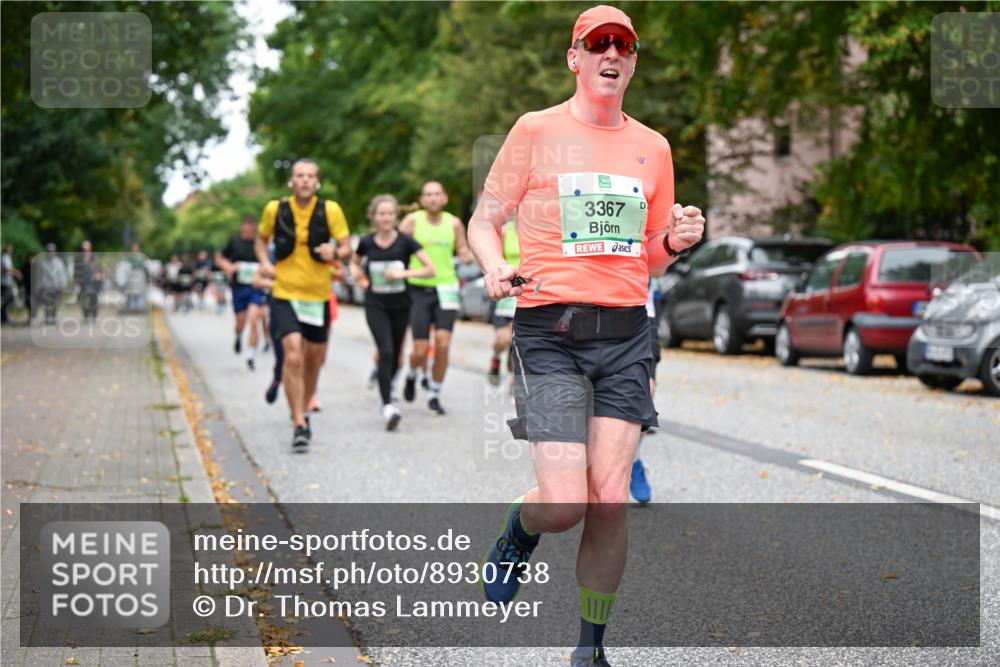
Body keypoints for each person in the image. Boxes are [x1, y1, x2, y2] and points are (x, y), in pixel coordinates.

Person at [466, 7, 705, 666]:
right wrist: (493, 264)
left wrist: (677, 242)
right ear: (574, 57)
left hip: (626, 332)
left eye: (622, 45)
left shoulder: (653, 148)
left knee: (610, 497)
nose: (610, 53)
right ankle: (521, 525)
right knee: (567, 502)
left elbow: (649, 254)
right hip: (549, 330)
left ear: (632, 60)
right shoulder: (535, 130)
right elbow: (484, 220)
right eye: (596, 43)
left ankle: (589, 647)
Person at [256, 158, 351, 452]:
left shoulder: (331, 210)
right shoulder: (275, 209)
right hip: (285, 293)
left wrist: (335, 250)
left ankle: (305, 407)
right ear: (291, 181)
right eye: (300, 175)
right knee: (293, 356)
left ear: (317, 182)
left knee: (313, 359)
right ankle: (299, 422)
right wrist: (264, 264)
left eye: (311, 176)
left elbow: (347, 248)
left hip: (318, 296)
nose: (306, 180)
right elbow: (261, 241)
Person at [352, 194, 436, 430]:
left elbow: (430, 269)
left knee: (397, 353)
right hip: (375, 304)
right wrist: (358, 276)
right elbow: (354, 263)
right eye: (381, 213)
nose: (386, 217)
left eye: (390, 213)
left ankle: (386, 389)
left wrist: (403, 274)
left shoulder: (406, 241)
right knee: (386, 351)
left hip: (401, 305)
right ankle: (387, 405)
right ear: (374, 217)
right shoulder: (367, 242)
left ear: (395, 216)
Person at [399, 181, 474, 415]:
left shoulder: (453, 223)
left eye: (437, 194)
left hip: (446, 287)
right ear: (422, 200)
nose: (433, 198)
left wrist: (467, 255)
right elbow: (396, 247)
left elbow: (463, 249)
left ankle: (435, 393)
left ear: (444, 198)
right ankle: (412, 375)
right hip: (418, 288)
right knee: (420, 348)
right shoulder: (412, 221)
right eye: (428, 195)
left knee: (442, 342)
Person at [216, 218, 268, 370]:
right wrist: (229, 267)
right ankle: (238, 335)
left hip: (255, 287)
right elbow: (221, 258)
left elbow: (267, 262)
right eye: (245, 231)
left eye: (251, 232)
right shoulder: (234, 241)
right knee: (240, 323)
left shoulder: (260, 244)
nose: (248, 234)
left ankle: (251, 355)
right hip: (238, 287)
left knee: (253, 320)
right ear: (241, 230)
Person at [629, 278, 660, 504]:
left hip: (640, 313)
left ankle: (633, 460)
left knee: (646, 389)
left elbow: (659, 266)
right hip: (582, 307)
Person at [487, 219, 520, 385]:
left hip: (526, 291)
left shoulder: (538, 230)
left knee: (519, 340)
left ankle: (516, 384)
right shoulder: (506, 231)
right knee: (504, 339)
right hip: (507, 290)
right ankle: (496, 358)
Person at [37, 243, 69, 325]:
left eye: (51, 251)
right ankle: (48, 318)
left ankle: (53, 317)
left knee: (55, 303)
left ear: (55, 252)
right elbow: (40, 275)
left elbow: (62, 273)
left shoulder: (59, 262)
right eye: (48, 251)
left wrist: (63, 283)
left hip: (56, 286)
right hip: (46, 286)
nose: (50, 253)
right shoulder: (43, 263)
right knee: (47, 303)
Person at [74, 240, 102, 322]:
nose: (85, 251)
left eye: (87, 249)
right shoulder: (79, 259)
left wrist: (99, 275)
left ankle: (94, 316)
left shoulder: (94, 258)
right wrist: (76, 283)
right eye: (84, 249)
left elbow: (99, 269)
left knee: (94, 300)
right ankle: (86, 316)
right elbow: (76, 272)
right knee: (84, 300)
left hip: (94, 283)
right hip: (83, 283)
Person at [1, 245, 23, 324]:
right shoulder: (4, 257)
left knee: (8, 299)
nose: (11, 251)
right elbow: (7, 268)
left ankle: (4, 316)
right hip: (4, 282)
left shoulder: (7, 258)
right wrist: (17, 272)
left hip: (8, 282)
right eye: (10, 249)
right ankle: (4, 316)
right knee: (7, 299)